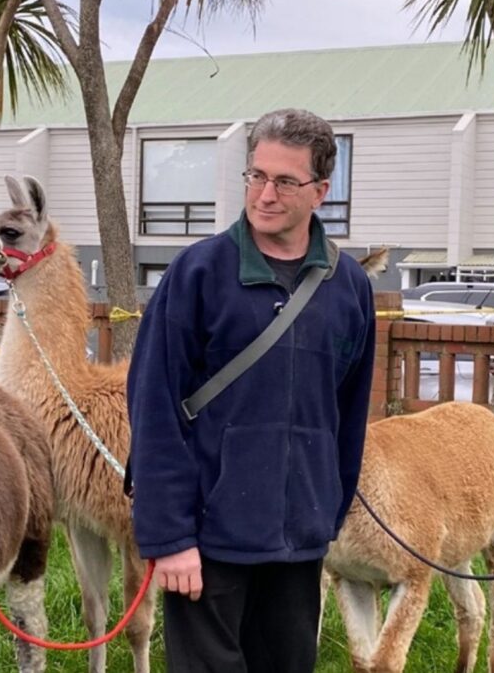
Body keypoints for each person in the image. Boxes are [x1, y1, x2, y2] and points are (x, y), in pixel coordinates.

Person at [126, 108, 376, 672]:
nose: (265, 194)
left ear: (321, 191)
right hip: (208, 541)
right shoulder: (197, 274)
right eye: (256, 176)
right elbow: (154, 408)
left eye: (285, 181)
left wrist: (325, 516)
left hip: (299, 543)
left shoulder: (349, 287)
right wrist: (168, 538)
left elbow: (349, 415)